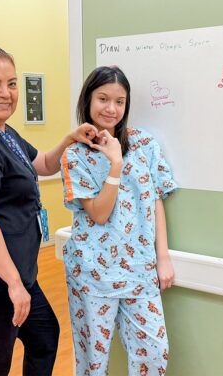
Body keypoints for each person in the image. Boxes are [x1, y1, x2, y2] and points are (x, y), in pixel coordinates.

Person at [0, 35, 98, 376]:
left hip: (16, 273)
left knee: (44, 336)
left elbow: (41, 163)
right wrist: (14, 284)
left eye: (11, 84)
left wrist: (68, 140)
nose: (6, 93)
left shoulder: (2, 131)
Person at [60, 66, 177, 376]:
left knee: (154, 354)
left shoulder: (144, 144)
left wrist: (162, 257)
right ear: (87, 100)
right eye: (103, 99)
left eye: (119, 101)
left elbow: (155, 200)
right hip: (92, 274)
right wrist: (115, 164)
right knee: (92, 364)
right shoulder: (74, 155)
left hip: (140, 268)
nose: (111, 109)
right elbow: (99, 214)